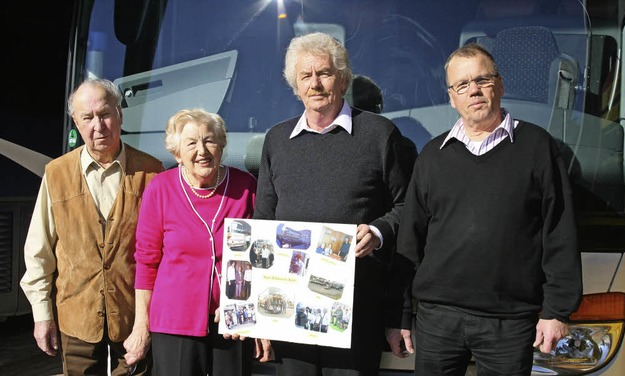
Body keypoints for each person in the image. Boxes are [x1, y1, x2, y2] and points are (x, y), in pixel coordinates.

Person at [385, 43, 583, 376]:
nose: (473, 90)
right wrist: (399, 315)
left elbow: (559, 231)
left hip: (509, 323)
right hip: (437, 322)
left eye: (482, 79)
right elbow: (409, 242)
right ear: (452, 97)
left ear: (500, 85)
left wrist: (557, 311)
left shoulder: (537, 147)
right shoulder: (433, 156)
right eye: (462, 85)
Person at [254, 32, 412, 375]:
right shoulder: (276, 140)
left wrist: (379, 231)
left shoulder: (380, 135)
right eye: (305, 76)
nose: (315, 83)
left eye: (324, 73)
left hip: (355, 311)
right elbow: (263, 223)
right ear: (295, 86)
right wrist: (258, 317)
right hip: (289, 311)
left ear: (342, 78)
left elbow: (408, 209)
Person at [19, 78, 164, 375]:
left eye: (105, 114)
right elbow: (39, 250)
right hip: (77, 315)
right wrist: (42, 314)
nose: (98, 125)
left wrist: (150, 320)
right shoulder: (56, 173)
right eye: (87, 117)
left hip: (135, 317)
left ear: (120, 114)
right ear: (76, 122)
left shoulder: (152, 171)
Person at [122, 108, 261, 376]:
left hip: (233, 318)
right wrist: (141, 324)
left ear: (221, 145)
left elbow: (260, 256)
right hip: (174, 322)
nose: (202, 151)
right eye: (191, 143)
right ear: (177, 153)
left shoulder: (246, 187)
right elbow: (147, 261)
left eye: (210, 140)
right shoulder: (161, 188)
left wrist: (249, 307)